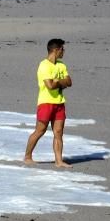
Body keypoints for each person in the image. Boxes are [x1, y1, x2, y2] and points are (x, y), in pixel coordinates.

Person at [24, 39, 72, 168]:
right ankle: (27, 156)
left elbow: (69, 82)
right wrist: (59, 82)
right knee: (40, 130)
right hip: (45, 103)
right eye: (62, 49)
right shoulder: (44, 65)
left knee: (58, 132)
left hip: (59, 103)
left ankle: (59, 161)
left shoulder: (61, 65)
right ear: (56, 50)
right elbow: (50, 85)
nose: (64, 52)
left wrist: (58, 81)